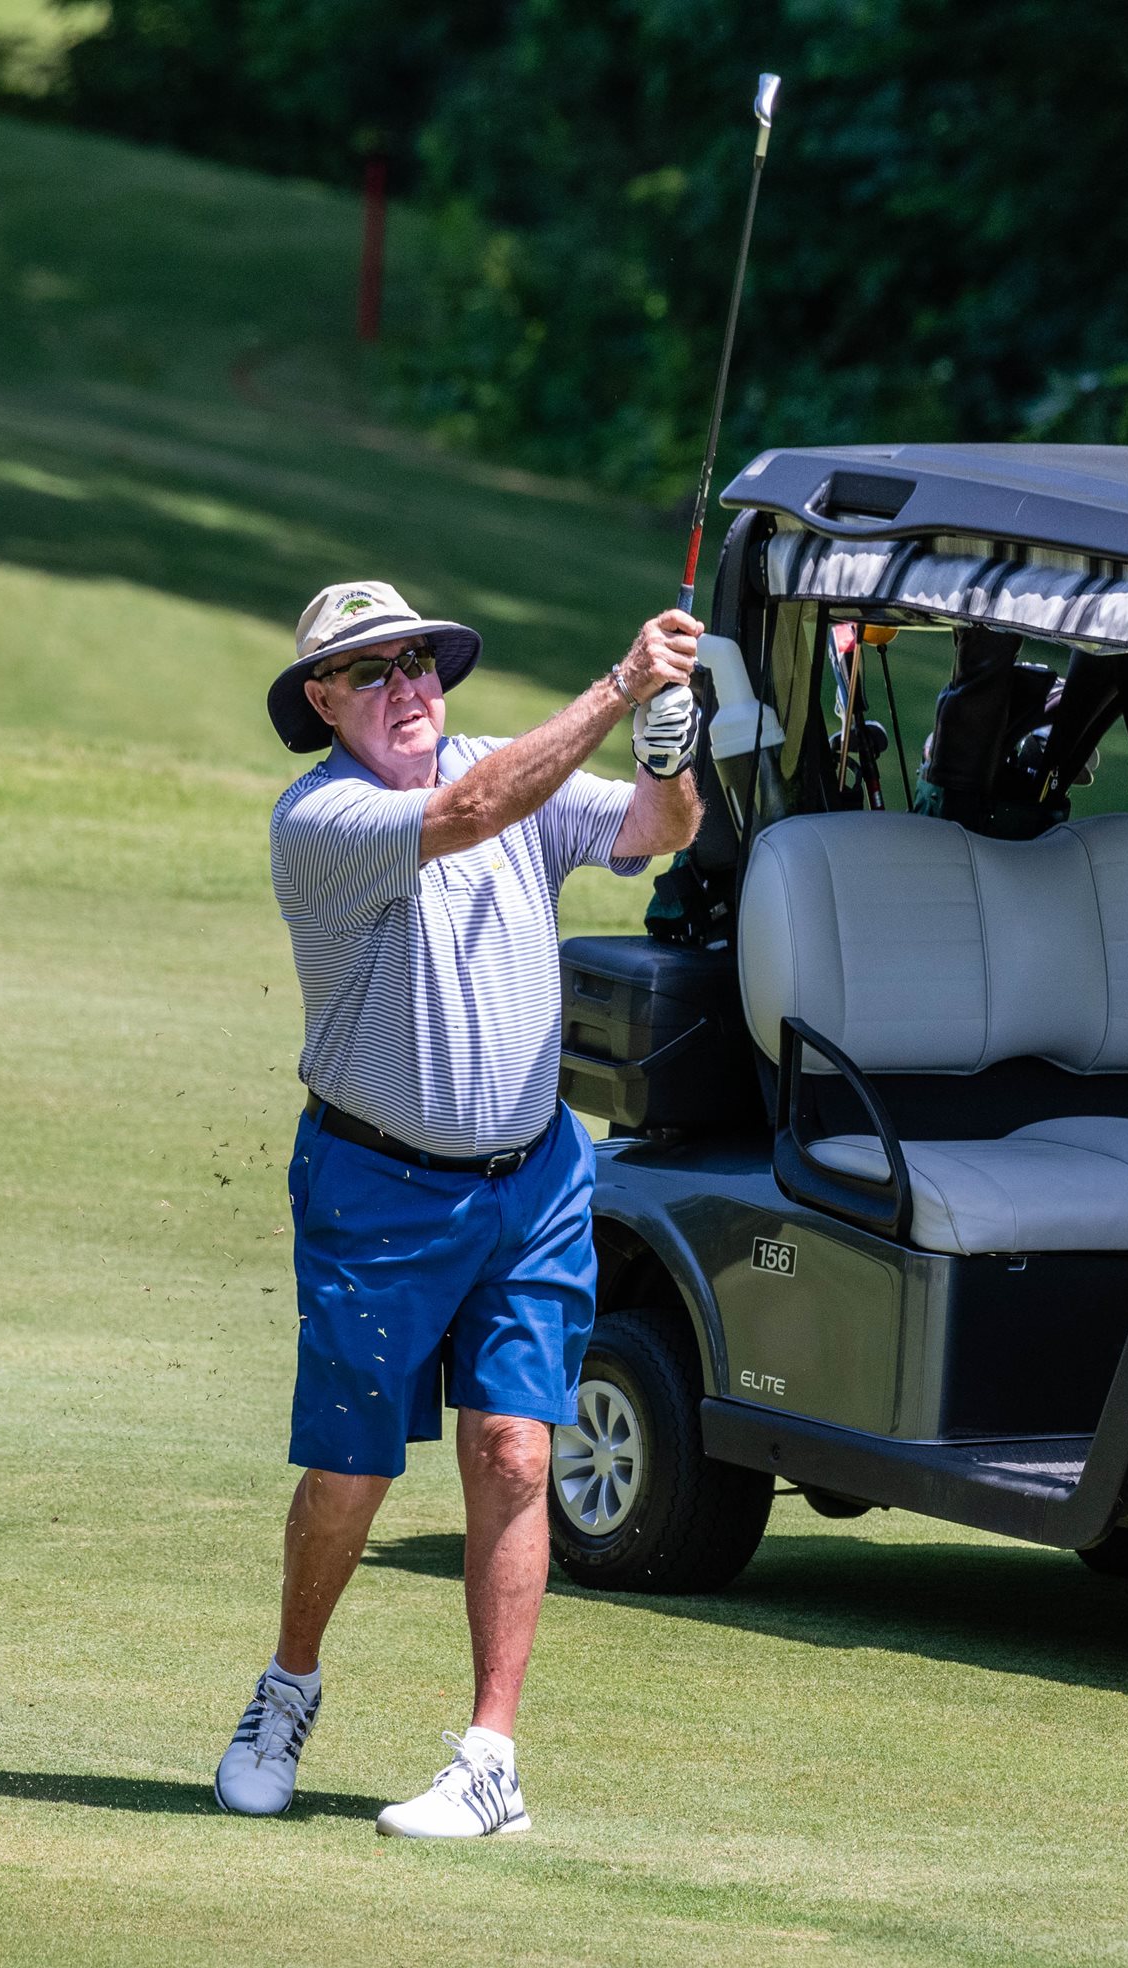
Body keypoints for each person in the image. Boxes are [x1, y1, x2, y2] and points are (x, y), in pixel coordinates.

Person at [215, 579, 703, 1837]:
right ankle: (288, 1684)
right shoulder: (321, 817)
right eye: (370, 672)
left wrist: (668, 743)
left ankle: (491, 1759)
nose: (406, 687)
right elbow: (471, 811)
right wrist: (620, 683)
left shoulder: (505, 763)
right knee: (349, 1472)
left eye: (419, 662)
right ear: (323, 701)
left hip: (533, 1181)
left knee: (516, 1448)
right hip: (375, 1185)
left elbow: (657, 826)